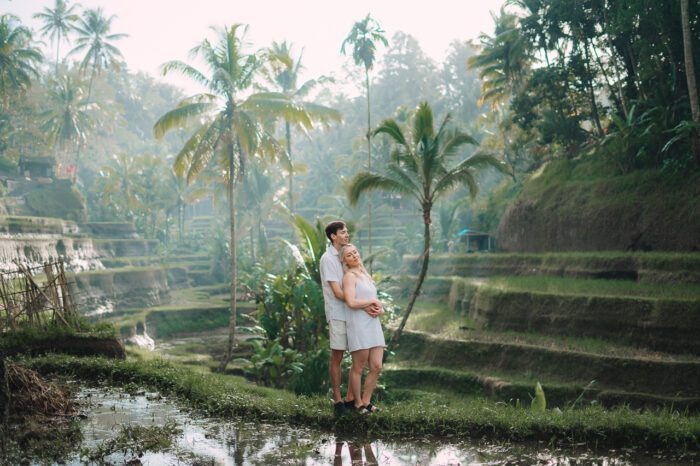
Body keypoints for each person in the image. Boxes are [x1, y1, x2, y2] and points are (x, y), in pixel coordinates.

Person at [320, 221, 381, 417]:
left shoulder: (349, 257)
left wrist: (367, 305)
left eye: (347, 231)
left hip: (355, 314)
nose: (347, 234)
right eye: (342, 232)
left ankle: (352, 400)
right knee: (337, 356)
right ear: (333, 236)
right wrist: (363, 301)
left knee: (358, 359)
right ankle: (338, 401)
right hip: (338, 313)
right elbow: (339, 293)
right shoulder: (328, 259)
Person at [339, 243, 385, 414]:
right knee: (359, 366)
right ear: (345, 261)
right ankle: (357, 403)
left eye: (355, 252)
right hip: (358, 324)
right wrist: (372, 303)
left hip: (373, 324)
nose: (354, 256)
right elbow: (351, 302)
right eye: (349, 255)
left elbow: (375, 300)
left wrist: (380, 309)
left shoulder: (365, 274)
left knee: (376, 366)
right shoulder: (349, 277)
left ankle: (366, 401)